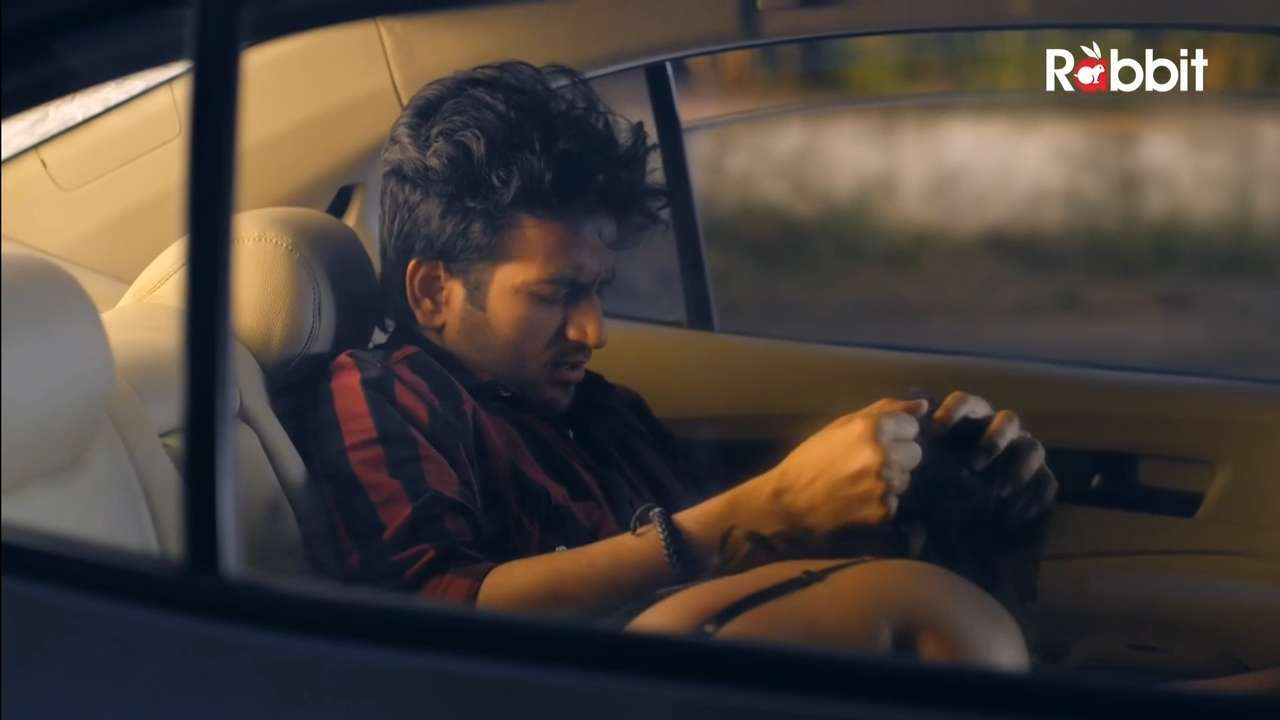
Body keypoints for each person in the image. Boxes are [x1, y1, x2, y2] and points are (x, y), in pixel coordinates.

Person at [302, 62, 1056, 654]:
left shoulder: (605, 413)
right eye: (555, 294)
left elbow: (745, 575)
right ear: (433, 291)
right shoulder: (386, 394)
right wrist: (757, 511)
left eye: (597, 291)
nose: (592, 331)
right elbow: (432, 611)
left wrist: (940, 506)